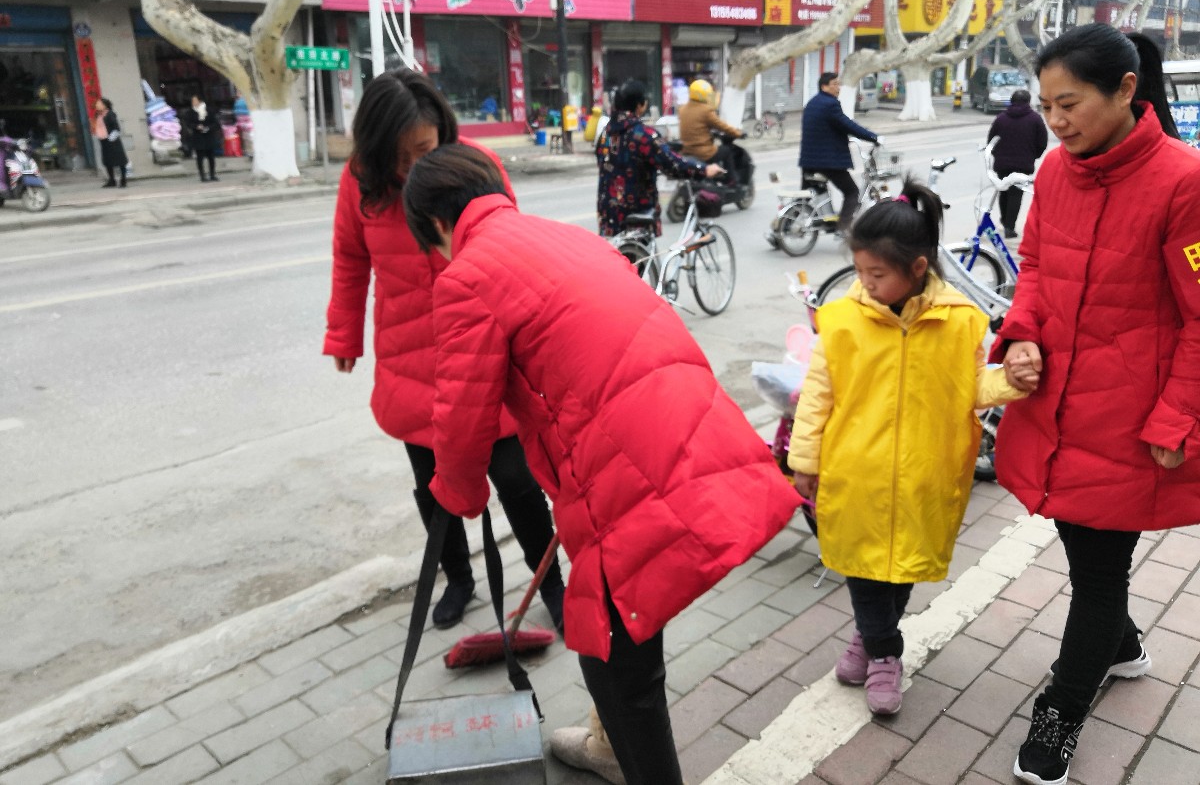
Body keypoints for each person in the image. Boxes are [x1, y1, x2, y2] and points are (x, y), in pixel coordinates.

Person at [401, 143, 802, 785]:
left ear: (435, 224)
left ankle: (627, 759)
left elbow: (461, 418)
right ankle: (610, 747)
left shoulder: (467, 276)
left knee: (614, 658)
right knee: (626, 626)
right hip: (682, 426)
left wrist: (457, 493)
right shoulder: (565, 237)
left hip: (621, 463)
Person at [992, 24, 1199, 785]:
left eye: (1070, 103)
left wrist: (1176, 419)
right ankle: (1122, 645)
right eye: (1047, 105)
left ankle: (1061, 714)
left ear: (1125, 90)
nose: (1056, 121)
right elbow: (1035, 263)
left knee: (1099, 572)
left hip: (1131, 419)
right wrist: (1020, 334)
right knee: (1087, 553)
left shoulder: (1184, 181)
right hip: (1056, 402)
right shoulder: (1054, 170)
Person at [323, 68, 564, 631]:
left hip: (484, 352)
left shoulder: (476, 167)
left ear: (443, 133)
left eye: (424, 149)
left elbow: (512, 248)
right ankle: (458, 578)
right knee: (434, 485)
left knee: (518, 481)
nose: (414, 167)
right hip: (410, 359)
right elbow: (350, 259)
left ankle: (550, 582)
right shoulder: (360, 182)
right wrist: (343, 334)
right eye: (400, 157)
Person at [788, 176, 1024, 717]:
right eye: (860, 271)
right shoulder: (841, 320)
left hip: (926, 473)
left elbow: (973, 389)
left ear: (917, 268)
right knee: (865, 568)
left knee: (902, 566)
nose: (865, 283)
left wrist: (1013, 381)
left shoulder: (960, 321)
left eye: (877, 274)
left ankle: (868, 639)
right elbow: (817, 395)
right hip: (856, 473)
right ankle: (885, 655)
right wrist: (804, 460)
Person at [596, 78, 722, 237]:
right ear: (639, 105)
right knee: (640, 252)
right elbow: (673, 164)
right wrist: (704, 170)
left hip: (608, 213)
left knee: (614, 251)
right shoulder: (644, 135)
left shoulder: (605, 134)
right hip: (637, 213)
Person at [799, 71, 880, 233]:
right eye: (835, 84)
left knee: (807, 196)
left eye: (839, 84)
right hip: (827, 162)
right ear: (824, 87)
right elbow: (847, 125)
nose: (838, 87)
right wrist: (872, 137)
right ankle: (843, 227)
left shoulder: (812, 103)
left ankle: (790, 223)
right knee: (852, 192)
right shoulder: (830, 104)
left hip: (808, 161)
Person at [985, 88, 1048, 239]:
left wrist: (997, 154)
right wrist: (1034, 155)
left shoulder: (1001, 118)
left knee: (1004, 191)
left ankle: (1005, 220)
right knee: (1016, 194)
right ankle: (1009, 226)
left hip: (1002, 163)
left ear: (1011, 101)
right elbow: (1042, 142)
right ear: (1028, 102)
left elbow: (991, 141)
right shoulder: (1035, 119)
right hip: (1023, 163)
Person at [677, 78, 744, 184]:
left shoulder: (682, 109)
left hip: (687, 150)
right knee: (727, 151)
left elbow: (696, 126)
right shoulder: (706, 110)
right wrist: (738, 133)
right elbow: (722, 126)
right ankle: (732, 181)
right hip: (703, 153)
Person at [182, 94, 219, 182]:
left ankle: (212, 174)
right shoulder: (190, 112)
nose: (193, 103)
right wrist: (196, 126)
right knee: (200, 157)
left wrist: (208, 128)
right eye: (192, 101)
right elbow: (188, 123)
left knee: (211, 157)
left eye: (195, 100)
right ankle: (202, 175)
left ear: (200, 101)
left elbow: (216, 123)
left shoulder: (209, 110)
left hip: (209, 136)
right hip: (198, 137)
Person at [93, 98, 128, 188]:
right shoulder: (98, 115)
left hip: (113, 141)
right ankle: (112, 180)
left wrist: (111, 138)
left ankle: (123, 180)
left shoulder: (110, 114)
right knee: (108, 161)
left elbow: (116, 128)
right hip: (103, 140)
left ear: (105, 105)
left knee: (120, 160)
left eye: (99, 104)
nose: (97, 105)